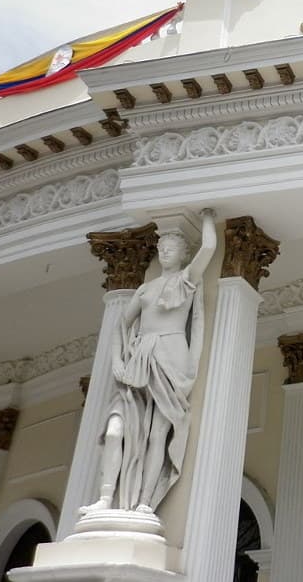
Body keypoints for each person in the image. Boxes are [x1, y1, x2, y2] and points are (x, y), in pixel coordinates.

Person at [82, 208, 216, 515]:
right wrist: (117, 360)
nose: (164, 252)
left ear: (183, 254)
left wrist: (208, 215)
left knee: (158, 434)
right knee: (117, 431)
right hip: (139, 360)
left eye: (171, 248)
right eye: (161, 248)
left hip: (171, 356)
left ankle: (145, 501)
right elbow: (120, 326)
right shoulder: (144, 289)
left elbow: (208, 247)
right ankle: (107, 497)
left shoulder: (186, 280)